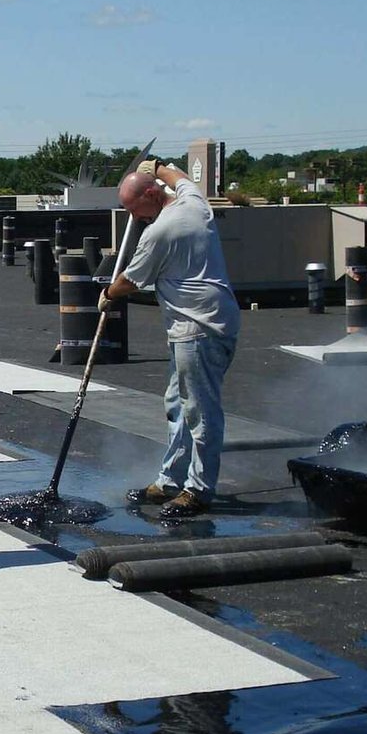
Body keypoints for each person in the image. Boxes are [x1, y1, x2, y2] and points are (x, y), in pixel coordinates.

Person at [100, 157, 240, 520]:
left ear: (150, 194)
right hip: (209, 320)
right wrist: (158, 165)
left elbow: (131, 280)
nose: (134, 218)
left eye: (134, 209)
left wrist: (108, 294)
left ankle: (199, 490)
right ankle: (171, 480)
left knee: (200, 411)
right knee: (178, 404)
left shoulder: (160, 232)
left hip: (198, 327)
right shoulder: (195, 203)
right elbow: (178, 177)